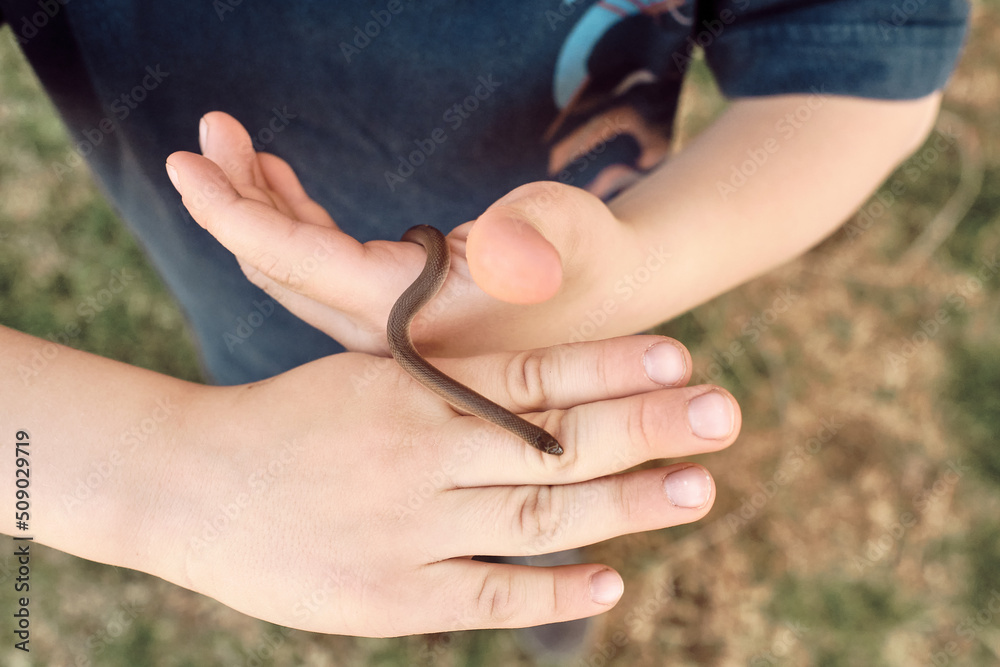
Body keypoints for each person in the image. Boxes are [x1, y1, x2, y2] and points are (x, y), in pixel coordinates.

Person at [0, 0, 967, 643]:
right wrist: (166, 479)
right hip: (249, 294)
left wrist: (631, 271)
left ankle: (537, 607)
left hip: (538, 323)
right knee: (290, 380)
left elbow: (855, 72)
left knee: (534, 491)